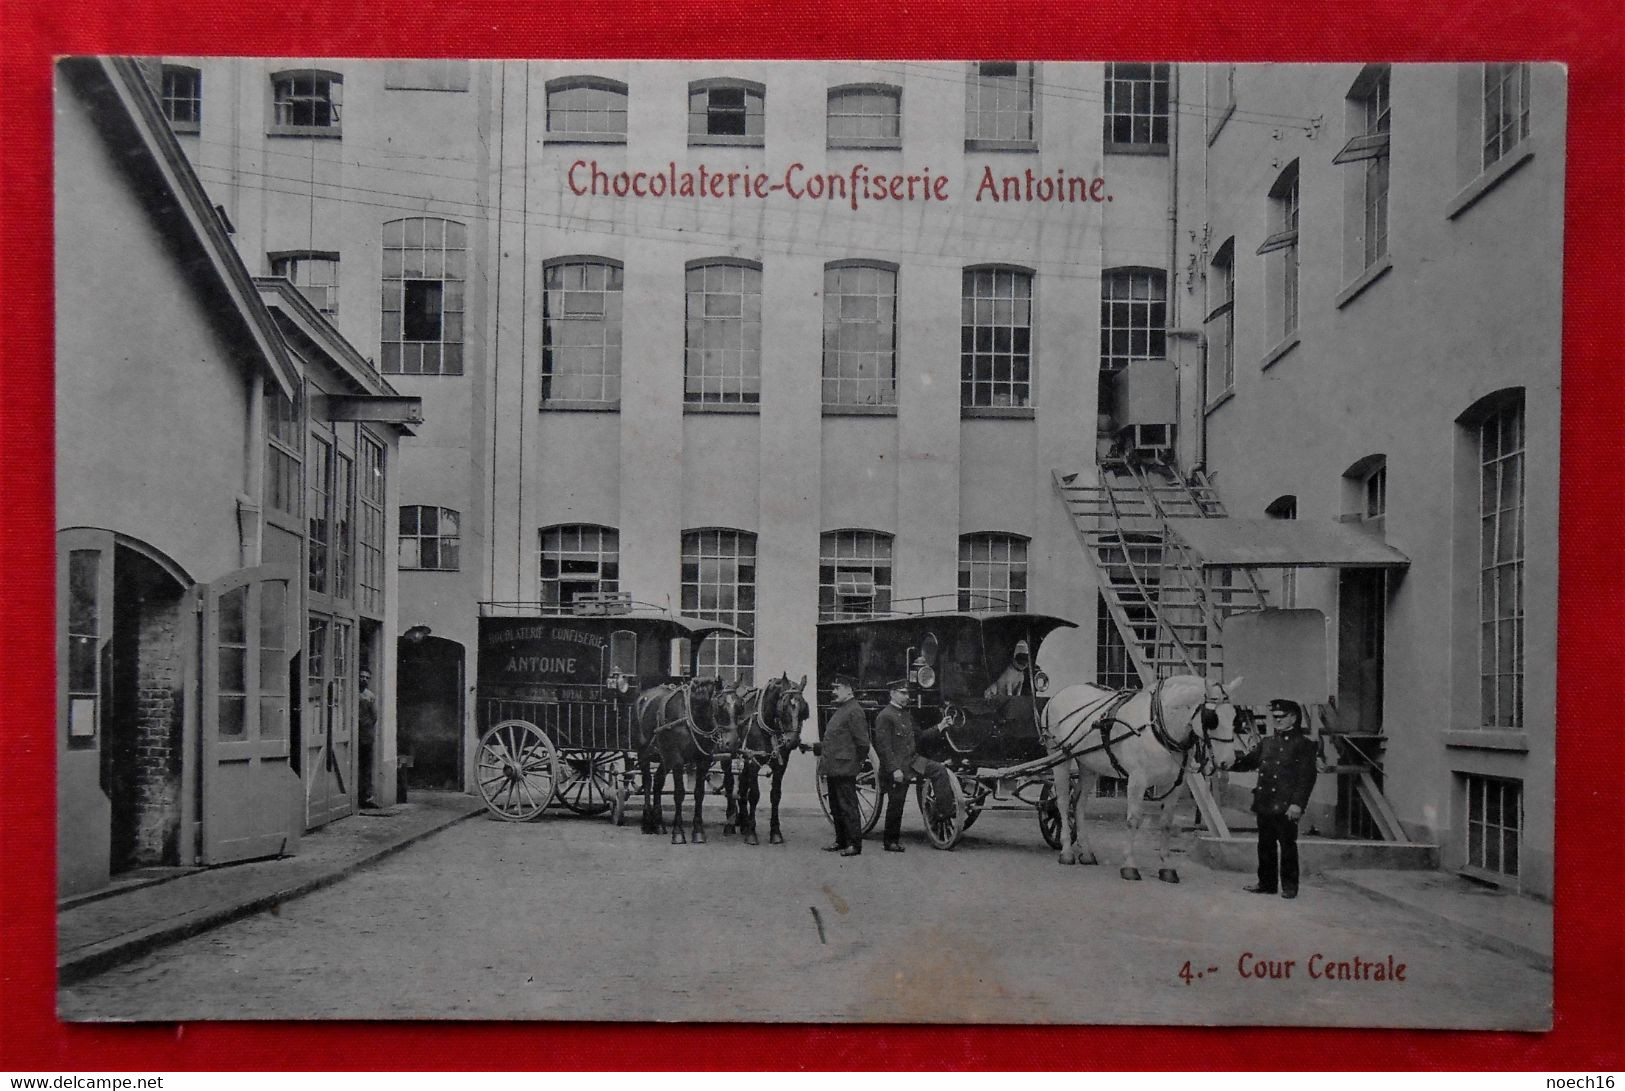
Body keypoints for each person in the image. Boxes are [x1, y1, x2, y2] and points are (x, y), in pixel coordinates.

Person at [1229, 697, 1319, 899]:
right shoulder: (1267, 743)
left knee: (1287, 845)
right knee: (1265, 844)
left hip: (1287, 805)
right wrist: (1225, 763)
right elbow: (1248, 762)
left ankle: (1289, 887)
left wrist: (1297, 804)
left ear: (1294, 718)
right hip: (1265, 802)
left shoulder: (1304, 745)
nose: (1276, 720)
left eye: (1281, 717)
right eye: (1274, 717)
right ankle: (1267, 883)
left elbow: (1306, 779)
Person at [872, 678, 957, 852]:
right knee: (897, 802)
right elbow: (883, 748)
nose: (906, 697)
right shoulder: (884, 716)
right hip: (897, 766)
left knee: (940, 770)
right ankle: (890, 841)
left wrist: (940, 726)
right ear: (892, 694)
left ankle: (943, 812)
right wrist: (894, 769)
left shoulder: (906, 714)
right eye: (903, 693)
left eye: (907, 693)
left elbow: (920, 737)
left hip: (913, 761)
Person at [815, 674, 870, 857]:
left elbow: (863, 743)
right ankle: (841, 840)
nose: (834, 692)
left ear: (849, 690)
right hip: (833, 767)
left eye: (837, 688)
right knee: (836, 806)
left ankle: (854, 844)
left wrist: (856, 763)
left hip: (845, 768)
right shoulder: (842, 709)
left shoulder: (854, 710)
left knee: (848, 806)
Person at [357, 669, 379, 809]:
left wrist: (366, 727)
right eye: (361, 676)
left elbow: (374, 717)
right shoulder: (350, 693)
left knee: (366, 767)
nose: (364, 679)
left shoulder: (369, 696)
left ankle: (365, 797)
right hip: (353, 734)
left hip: (365, 736)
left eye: (367, 677)